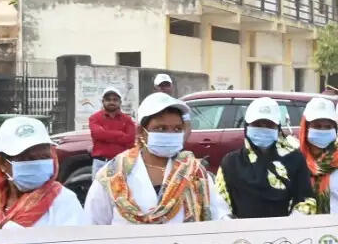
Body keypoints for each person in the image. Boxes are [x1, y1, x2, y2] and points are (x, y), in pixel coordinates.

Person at [85, 93, 230, 224]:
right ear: (142, 131)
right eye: (161, 128)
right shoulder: (113, 175)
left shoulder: (195, 173)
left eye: (177, 129)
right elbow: (93, 224)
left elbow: (219, 216)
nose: (170, 134)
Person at [216, 97, 316, 218]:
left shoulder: (294, 159)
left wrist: (291, 223)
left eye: (269, 125)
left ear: (278, 128)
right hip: (241, 233)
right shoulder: (231, 162)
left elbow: (306, 200)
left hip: (285, 233)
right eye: (257, 124)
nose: (263, 128)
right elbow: (220, 203)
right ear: (247, 127)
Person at [88, 87, 137, 173]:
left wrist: (105, 135)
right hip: (101, 163)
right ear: (103, 101)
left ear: (120, 102)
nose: (111, 102)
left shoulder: (127, 120)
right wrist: (121, 134)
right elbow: (98, 134)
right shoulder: (95, 118)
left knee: (122, 187)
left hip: (121, 164)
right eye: (108, 99)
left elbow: (130, 140)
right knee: (98, 187)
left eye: (115, 100)